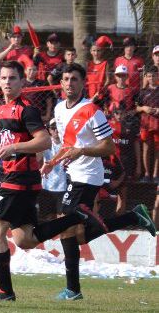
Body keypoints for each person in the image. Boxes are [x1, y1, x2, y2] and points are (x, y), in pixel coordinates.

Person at [0, 61, 104, 301]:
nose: (7, 83)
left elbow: (43, 141)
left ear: (22, 82)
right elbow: (5, 143)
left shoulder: (26, 109)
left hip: (21, 179)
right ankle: (78, 217)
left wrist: (14, 147)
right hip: (14, 176)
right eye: (3, 78)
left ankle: (5, 291)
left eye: (12, 78)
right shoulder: (2, 109)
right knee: (25, 239)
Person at [50, 63, 156, 300]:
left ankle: (73, 290)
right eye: (66, 79)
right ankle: (134, 217)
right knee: (75, 235)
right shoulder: (58, 109)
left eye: (74, 79)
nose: (69, 83)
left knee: (66, 226)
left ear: (83, 83)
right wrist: (52, 162)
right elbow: (68, 145)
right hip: (73, 174)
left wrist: (82, 151)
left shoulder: (92, 110)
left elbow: (108, 146)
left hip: (88, 176)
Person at [40, 119, 69, 218]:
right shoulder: (45, 143)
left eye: (58, 128)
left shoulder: (68, 144)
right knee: (48, 219)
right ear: (49, 130)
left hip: (63, 186)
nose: (56, 130)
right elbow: (38, 157)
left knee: (61, 221)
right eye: (53, 128)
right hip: (46, 187)